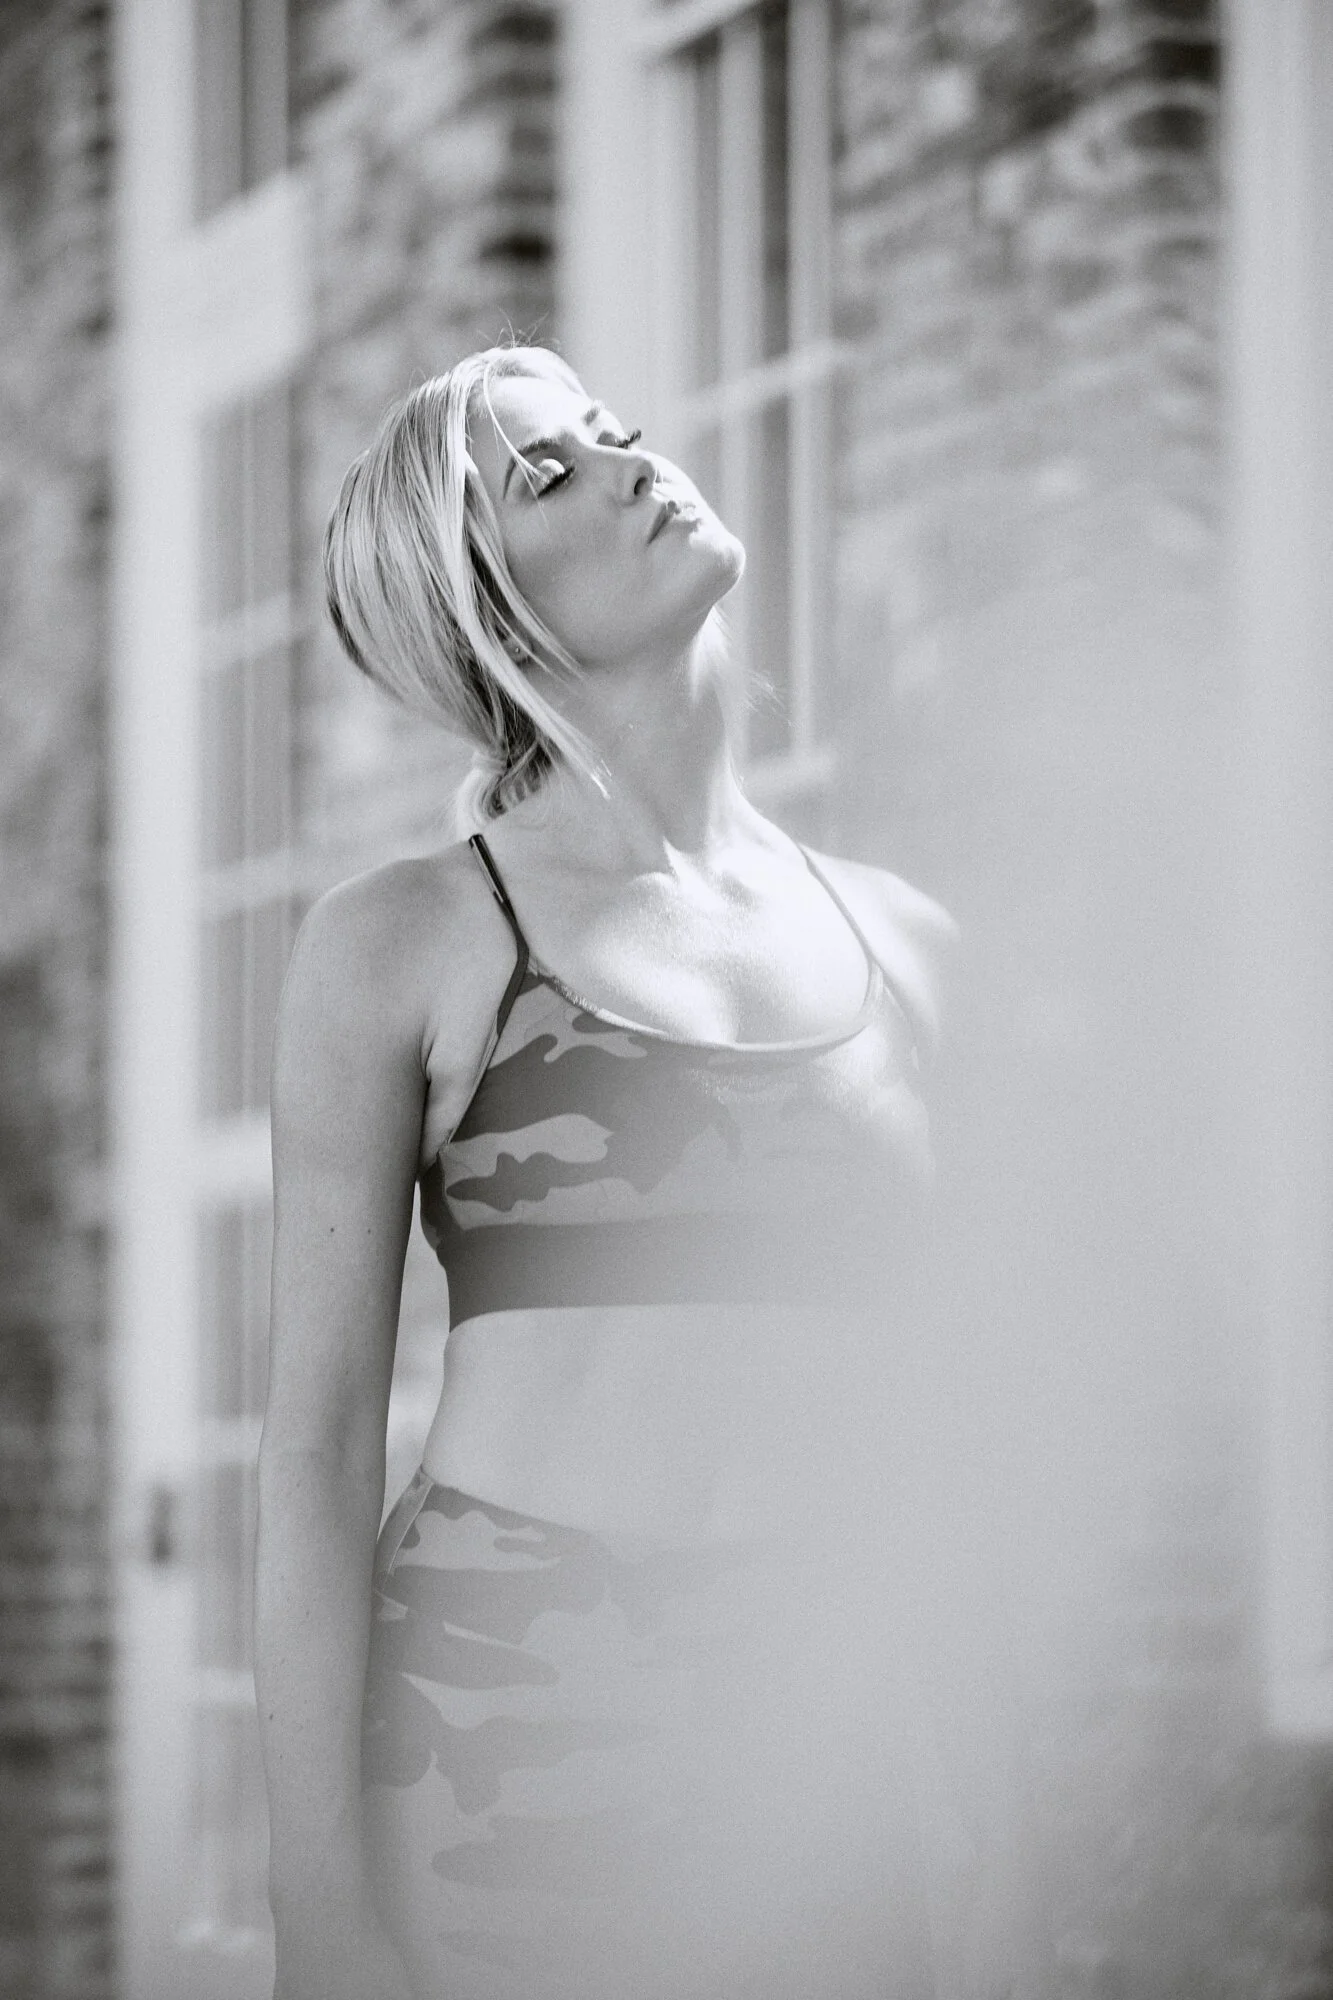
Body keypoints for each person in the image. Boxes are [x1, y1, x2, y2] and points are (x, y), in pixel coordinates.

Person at [255, 343, 958, 2000]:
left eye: (609, 427)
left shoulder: (910, 945)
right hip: (504, 1726)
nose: (632, 458)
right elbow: (316, 1453)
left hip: (822, 1743)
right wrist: (317, 1904)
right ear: (481, 610)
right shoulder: (401, 941)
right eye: (547, 473)